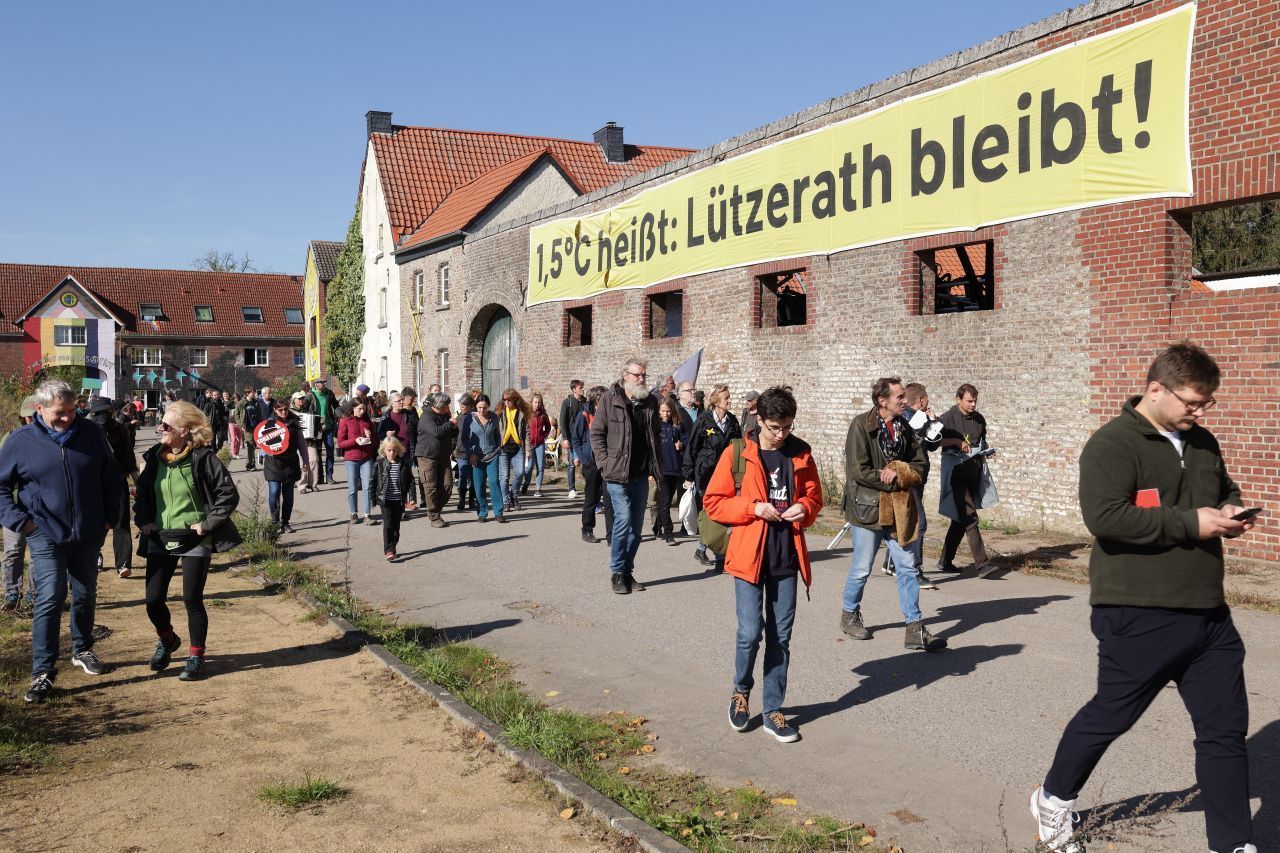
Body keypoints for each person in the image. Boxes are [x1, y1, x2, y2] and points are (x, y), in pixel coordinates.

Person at [1031, 343, 1256, 853]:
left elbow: (1225, 487)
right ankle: (1052, 799)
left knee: (1224, 733)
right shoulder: (1112, 445)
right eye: (1192, 403)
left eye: (1206, 405)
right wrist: (1191, 522)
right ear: (1156, 389)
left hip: (1208, 612)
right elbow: (1106, 517)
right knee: (1113, 714)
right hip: (1137, 609)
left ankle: (1233, 843)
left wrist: (1231, 510)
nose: (1199, 413)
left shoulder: (1201, 441)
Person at [706, 386, 822, 744]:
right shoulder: (738, 452)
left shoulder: (800, 453)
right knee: (749, 632)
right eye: (775, 427)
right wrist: (753, 508)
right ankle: (741, 691)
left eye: (787, 426)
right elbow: (713, 502)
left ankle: (774, 708)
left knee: (780, 637)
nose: (782, 434)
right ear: (760, 420)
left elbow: (815, 497)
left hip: (787, 557)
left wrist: (804, 508)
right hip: (748, 559)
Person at [0, 379, 122, 702]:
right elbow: (0, 487)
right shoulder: (20, 441)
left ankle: (82, 648)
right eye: (59, 412)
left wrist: (110, 517)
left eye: (71, 411)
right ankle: (43, 671)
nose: (68, 418)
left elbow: (111, 477)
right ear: (38, 409)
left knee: (85, 593)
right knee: (50, 596)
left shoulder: (91, 434)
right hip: (43, 533)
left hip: (87, 532)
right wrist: (22, 523)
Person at [135, 401, 240, 681]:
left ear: (184, 431)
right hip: (160, 537)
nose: (159, 429)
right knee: (153, 600)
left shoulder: (204, 458)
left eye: (165, 426)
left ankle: (195, 657)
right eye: (160, 423)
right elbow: (142, 495)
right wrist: (144, 522)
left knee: (192, 599)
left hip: (194, 538)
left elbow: (227, 495)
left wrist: (207, 525)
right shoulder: (154, 457)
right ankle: (168, 640)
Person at [838, 378, 945, 652]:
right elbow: (858, 471)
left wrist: (899, 471)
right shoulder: (860, 426)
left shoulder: (905, 427)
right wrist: (887, 478)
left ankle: (914, 627)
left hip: (899, 507)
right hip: (868, 508)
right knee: (862, 567)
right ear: (882, 401)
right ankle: (849, 614)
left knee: (907, 567)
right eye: (899, 397)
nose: (905, 401)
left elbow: (921, 463)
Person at [590, 356, 661, 595]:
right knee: (622, 521)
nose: (641, 379)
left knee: (637, 529)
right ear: (625, 376)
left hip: (641, 474)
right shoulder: (610, 399)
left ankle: (627, 572)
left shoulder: (650, 401)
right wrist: (604, 463)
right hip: (616, 474)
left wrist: (655, 466)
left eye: (644, 375)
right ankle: (617, 572)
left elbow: (654, 436)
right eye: (637, 375)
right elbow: (597, 434)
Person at [882, 383, 944, 585]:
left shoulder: (920, 418)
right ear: (921, 399)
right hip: (907, 477)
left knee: (905, 520)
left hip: (917, 477)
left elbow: (932, 445)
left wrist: (934, 422)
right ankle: (914, 570)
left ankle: (891, 563)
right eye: (926, 399)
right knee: (919, 523)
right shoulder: (906, 418)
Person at [937, 384, 996, 574]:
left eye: (975, 401)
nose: (973, 404)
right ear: (958, 399)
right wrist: (956, 442)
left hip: (974, 474)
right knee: (970, 517)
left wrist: (987, 450)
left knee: (960, 519)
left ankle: (945, 560)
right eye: (969, 401)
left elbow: (981, 440)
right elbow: (934, 442)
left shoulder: (979, 419)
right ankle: (982, 564)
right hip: (956, 475)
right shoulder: (947, 418)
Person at [684, 386, 742, 572]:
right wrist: (689, 473)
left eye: (729, 397)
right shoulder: (704, 420)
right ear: (717, 401)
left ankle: (702, 549)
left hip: (726, 475)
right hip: (706, 474)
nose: (729, 400)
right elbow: (692, 447)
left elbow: (739, 447)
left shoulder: (732, 421)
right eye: (726, 398)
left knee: (719, 513)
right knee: (713, 514)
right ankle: (720, 558)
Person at [89, 397, 140, 578]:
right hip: (93, 485)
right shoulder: (87, 430)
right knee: (96, 524)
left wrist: (137, 479)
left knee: (121, 523)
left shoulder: (120, 429)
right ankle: (95, 556)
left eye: (106, 412)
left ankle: (123, 563)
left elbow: (128, 454)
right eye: (99, 413)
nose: (103, 416)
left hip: (118, 481)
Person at [1, 395, 37, 611]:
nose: (31, 421)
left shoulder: (49, 438)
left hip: (38, 507)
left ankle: (35, 593)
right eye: (28, 417)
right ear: (22, 418)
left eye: (35, 417)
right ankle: (12, 592)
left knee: (37, 553)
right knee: (13, 550)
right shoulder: (11, 438)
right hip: (14, 505)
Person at [261, 396, 310, 533]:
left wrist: (305, 461)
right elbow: (263, 442)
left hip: (291, 461)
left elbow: (302, 444)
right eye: (280, 410)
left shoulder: (294, 422)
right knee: (274, 491)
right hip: (274, 462)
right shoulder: (269, 423)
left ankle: (285, 522)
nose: (283, 412)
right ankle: (275, 522)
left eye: (286, 409)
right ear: (275, 410)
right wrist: (264, 452)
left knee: (288, 495)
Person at [573, 385, 613, 544]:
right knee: (592, 497)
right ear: (597, 400)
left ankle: (612, 535)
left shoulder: (609, 414)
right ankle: (587, 529)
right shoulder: (584, 414)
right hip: (591, 463)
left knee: (609, 499)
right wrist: (584, 459)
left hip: (608, 463)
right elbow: (576, 439)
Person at [416, 391, 458, 528]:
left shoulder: (445, 415)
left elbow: (453, 433)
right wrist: (450, 423)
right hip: (427, 457)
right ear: (439, 406)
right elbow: (436, 432)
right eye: (447, 405)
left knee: (447, 486)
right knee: (431, 487)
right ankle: (434, 516)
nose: (449, 407)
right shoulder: (427, 416)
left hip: (444, 456)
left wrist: (453, 424)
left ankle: (436, 509)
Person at [462, 394, 506, 523]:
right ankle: (482, 512)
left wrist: (498, 449)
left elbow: (497, 435)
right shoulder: (469, 419)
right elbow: (464, 439)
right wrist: (470, 453)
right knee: (479, 485)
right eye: (480, 407)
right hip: (476, 457)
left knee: (494, 482)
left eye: (485, 407)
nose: (482, 410)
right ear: (475, 406)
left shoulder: (494, 418)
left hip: (492, 455)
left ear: (488, 406)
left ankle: (498, 512)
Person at [371, 436, 416, 561]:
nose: (392, 453)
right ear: (384, 451)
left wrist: (412, 497)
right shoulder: (379, 464)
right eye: (389, 450)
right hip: (385, 500)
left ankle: (393, 546)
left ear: (398, 450)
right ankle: (389, 550)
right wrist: (372, 500)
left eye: (394, 450)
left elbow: (411, 481)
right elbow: (372, 482)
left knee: (396, 527)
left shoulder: (403, 464)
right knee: (388, 524)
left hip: (399, 500)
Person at [652, 396, 687, 545]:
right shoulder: (655, 426)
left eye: (668, 411)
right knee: (665, 501)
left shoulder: (677, 426)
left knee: (665, 501)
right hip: (662, 469)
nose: (665, 414)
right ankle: (668, 532)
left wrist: (681, 445)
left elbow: (686, 440)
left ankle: (657, 526)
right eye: (663, 411)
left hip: (675, 468)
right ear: (658, 411)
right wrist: (650, 471)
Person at [337, 400, 376, 524]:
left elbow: (376, 443)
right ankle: (353, 513)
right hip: (351, 459)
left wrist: (370, 437)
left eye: (364, 409)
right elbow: (340, 443)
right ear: (353, 408)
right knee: (353, 488)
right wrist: (355, 440)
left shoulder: (368, 422)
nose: (362, 411)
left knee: (367, 487)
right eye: (359, 409)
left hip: (366, 458)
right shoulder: (345, 421)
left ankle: (367, 514)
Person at [496, 389, 529, 511]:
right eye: (504, 399)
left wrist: (529, 449)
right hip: (503, 448)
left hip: (518, 447)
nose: (506, 402)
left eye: (509, 400)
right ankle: (506, 501)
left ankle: (514, 495)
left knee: (520, 473)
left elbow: (527, 432)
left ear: (515, 400)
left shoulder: (521, 413)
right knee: (504, 477)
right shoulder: (500, 413)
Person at [520, 392, 552, 497]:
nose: (537, 404)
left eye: (539, 402)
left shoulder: (543, 414)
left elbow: (548, 426)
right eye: (535, 402)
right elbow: (526, 433)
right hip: (530, 445)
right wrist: (527, 448)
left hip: (540, 443)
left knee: (541, 466)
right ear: (531, 402)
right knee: (529, 467)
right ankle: (526, 484)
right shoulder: (527, 415)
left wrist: (544, 435)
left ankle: (538, 489)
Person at [559, 380, 586, 498]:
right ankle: (571, 488)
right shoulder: (567, 402)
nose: (582, 389)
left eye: (582, 387)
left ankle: (589, 486)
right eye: (580, 388)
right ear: (574, 389)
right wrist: (565, 438)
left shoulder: (585, 402)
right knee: (572, 464)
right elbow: (562, 421)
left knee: (585, 462)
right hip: (571, 436)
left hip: (584, 436)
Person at [398, 387, 424, 505]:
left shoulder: (413, 410)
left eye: (414, 399)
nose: (413, 401)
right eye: (411, 398)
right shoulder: (398, 411)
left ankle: (421, 499)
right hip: (402, 447)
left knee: (419, 473)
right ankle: (408, 501)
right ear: (404, 398)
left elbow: (417, 427)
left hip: (415, 445)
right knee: (406, 474)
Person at [311, 378, 340, 485]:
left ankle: (329, 476)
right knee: (317, 453)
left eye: (324, 383)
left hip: (328, 427)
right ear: (316, 385)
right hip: (316, 427)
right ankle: (319, 477)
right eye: (321, 383)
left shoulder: (329, 393)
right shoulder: (310, 395)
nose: (323, 384)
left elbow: (336, 407)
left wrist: (341, 415)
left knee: (330, 451)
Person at [290, 391, 318, 493]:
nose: (301, 400)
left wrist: (319, 427)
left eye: (302, 398)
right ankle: (302, 486)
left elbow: (315, 421)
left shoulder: (308, 409)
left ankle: (313, 484)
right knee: (302, 462)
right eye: (299, 399)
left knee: (314, 459)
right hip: (297, 440)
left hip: (309, 439)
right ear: (294, 400)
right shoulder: (290, 412)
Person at [453, 394, 476, 513]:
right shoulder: (459, 418)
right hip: (461, 451)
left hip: (475, 452)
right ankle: (461, 500)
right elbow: (455, 435)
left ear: (470, 406)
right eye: (460, 406)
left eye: (463, 406)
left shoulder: (476, 417)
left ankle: (471, 500)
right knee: (462, 476)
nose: (461, 408)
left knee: (473, 477)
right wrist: (453, 449)